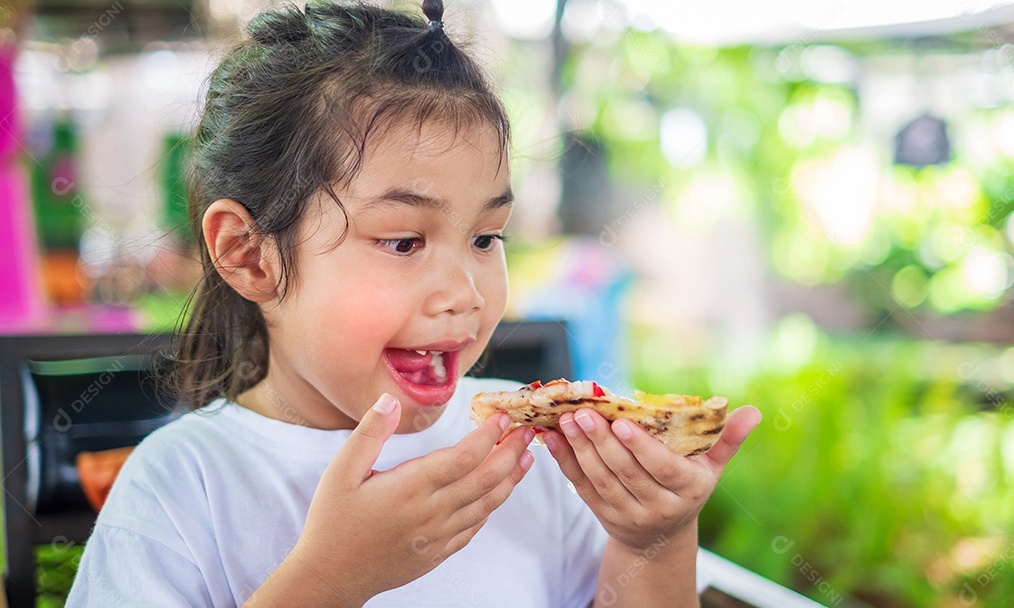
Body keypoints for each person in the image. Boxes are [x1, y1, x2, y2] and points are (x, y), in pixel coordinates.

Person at [67, 1, 761, 606]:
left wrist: (652, 542)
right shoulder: (180, 488)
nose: (465, 293)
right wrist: (330, 581)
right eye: (402, 242)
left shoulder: (541, 458)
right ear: (251, 255)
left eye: (487, 237)